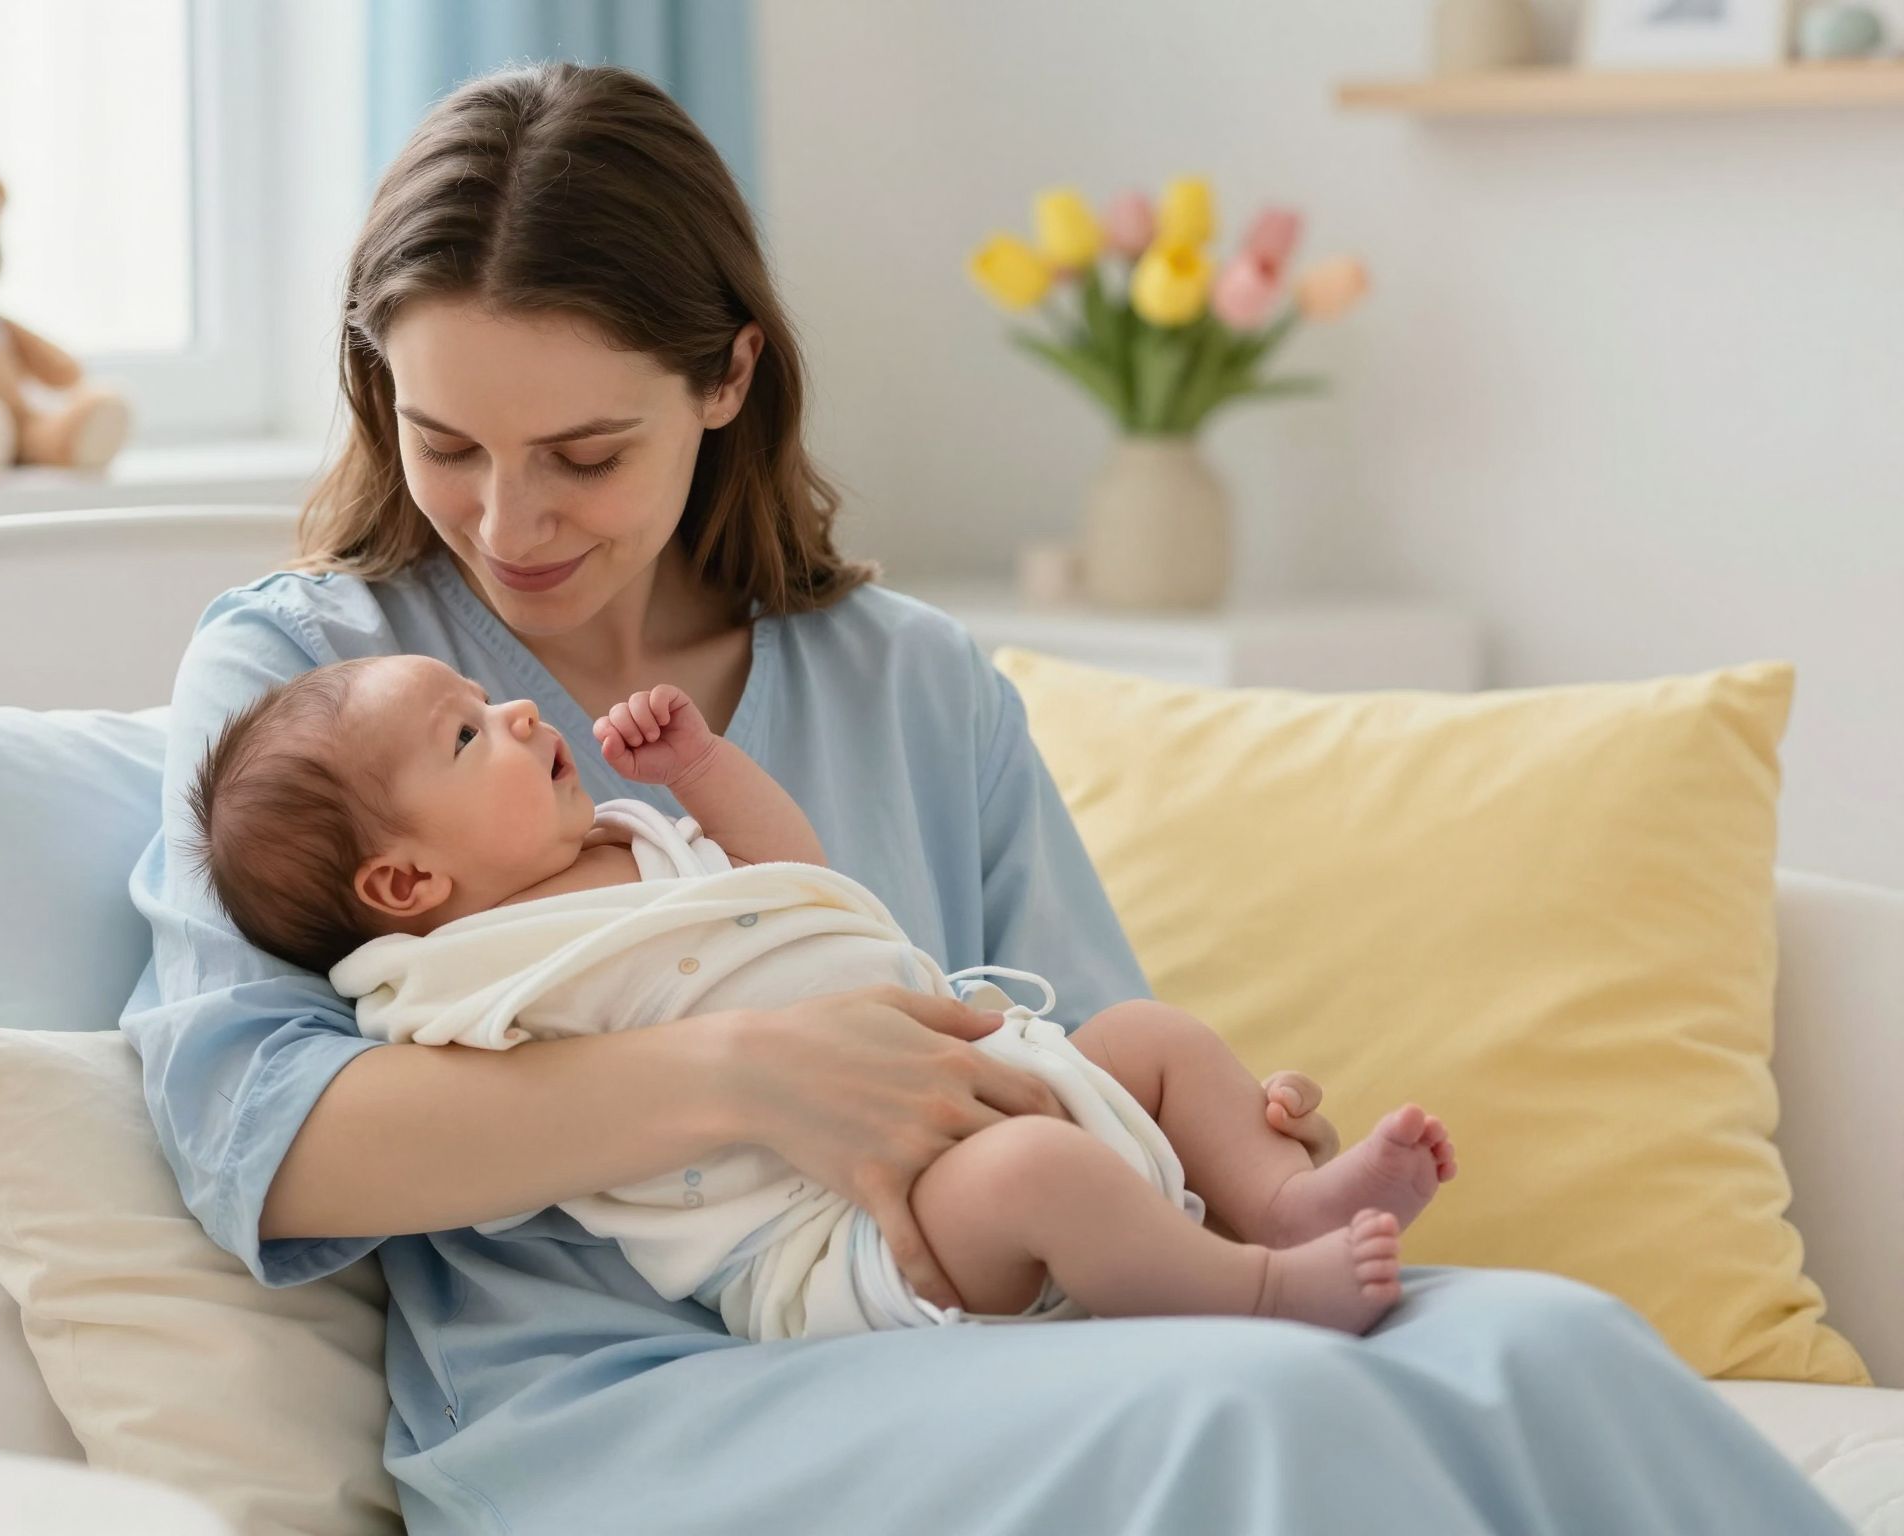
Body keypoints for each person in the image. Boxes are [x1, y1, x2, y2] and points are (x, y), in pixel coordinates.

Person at [121, 61, 1852, 1535]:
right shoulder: (314, 678)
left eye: (585, 455)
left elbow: (1066, 1037)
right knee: (1266, 1417)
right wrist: (747, 1073)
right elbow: (247, 1137)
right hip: (616, 1399)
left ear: (724, 382)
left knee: (1556, 1345)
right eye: (444, 445)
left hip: (1005, 1317)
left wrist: (1239, 1139)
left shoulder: (906, 675)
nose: (506, 526)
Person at [184, 657, 1457, 1341]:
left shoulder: (631, 838)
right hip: (836, 1229)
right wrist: (753, 1071)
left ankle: (1286, 1202)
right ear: (404, 879)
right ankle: (1256, 1299)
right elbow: (331, 1123)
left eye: (480, 701)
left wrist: (703, 770)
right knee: (1032, 1181)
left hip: (999, 1064)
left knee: (1154, 1042)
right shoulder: (437, 978)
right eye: (465, 737)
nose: (513, 709)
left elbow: (798, 877)